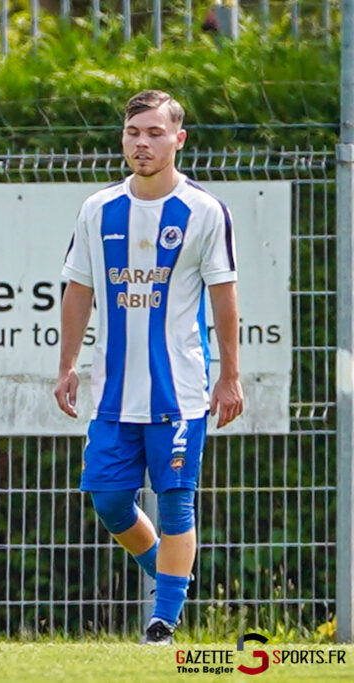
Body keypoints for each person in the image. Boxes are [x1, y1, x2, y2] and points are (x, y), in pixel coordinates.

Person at [54, 90, 244, 645]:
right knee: (110, 500)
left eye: (155, 133)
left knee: (177, 501)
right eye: (133, 132)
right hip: (113, 393)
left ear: (178, 140)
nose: (142, 143)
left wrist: (230, 375)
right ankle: (171, 574)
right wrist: (67, 365)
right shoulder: (98, 209)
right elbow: (79, 290)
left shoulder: (203, 211)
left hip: (178, 391)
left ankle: (162, 621)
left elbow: (224, 298)